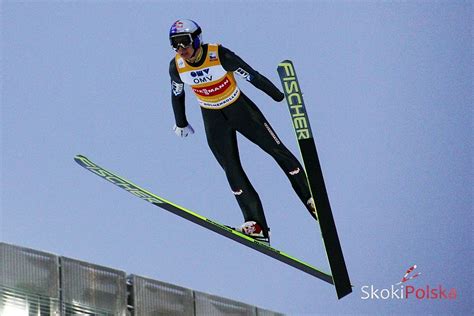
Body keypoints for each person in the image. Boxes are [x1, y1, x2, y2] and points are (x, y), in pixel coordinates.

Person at [168, 19, 317, 244]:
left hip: (240, 110)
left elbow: (252, 76)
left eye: (185, 42)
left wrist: (280, 96)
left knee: (276, 150)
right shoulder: (176, 66)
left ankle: (310, 198)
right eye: (175, 44)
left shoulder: (220, 55)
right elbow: (177, 94)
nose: (182, 49)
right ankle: (256, 224)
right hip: (213, 117)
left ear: (197, 38)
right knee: (231, 169)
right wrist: (181, 122)